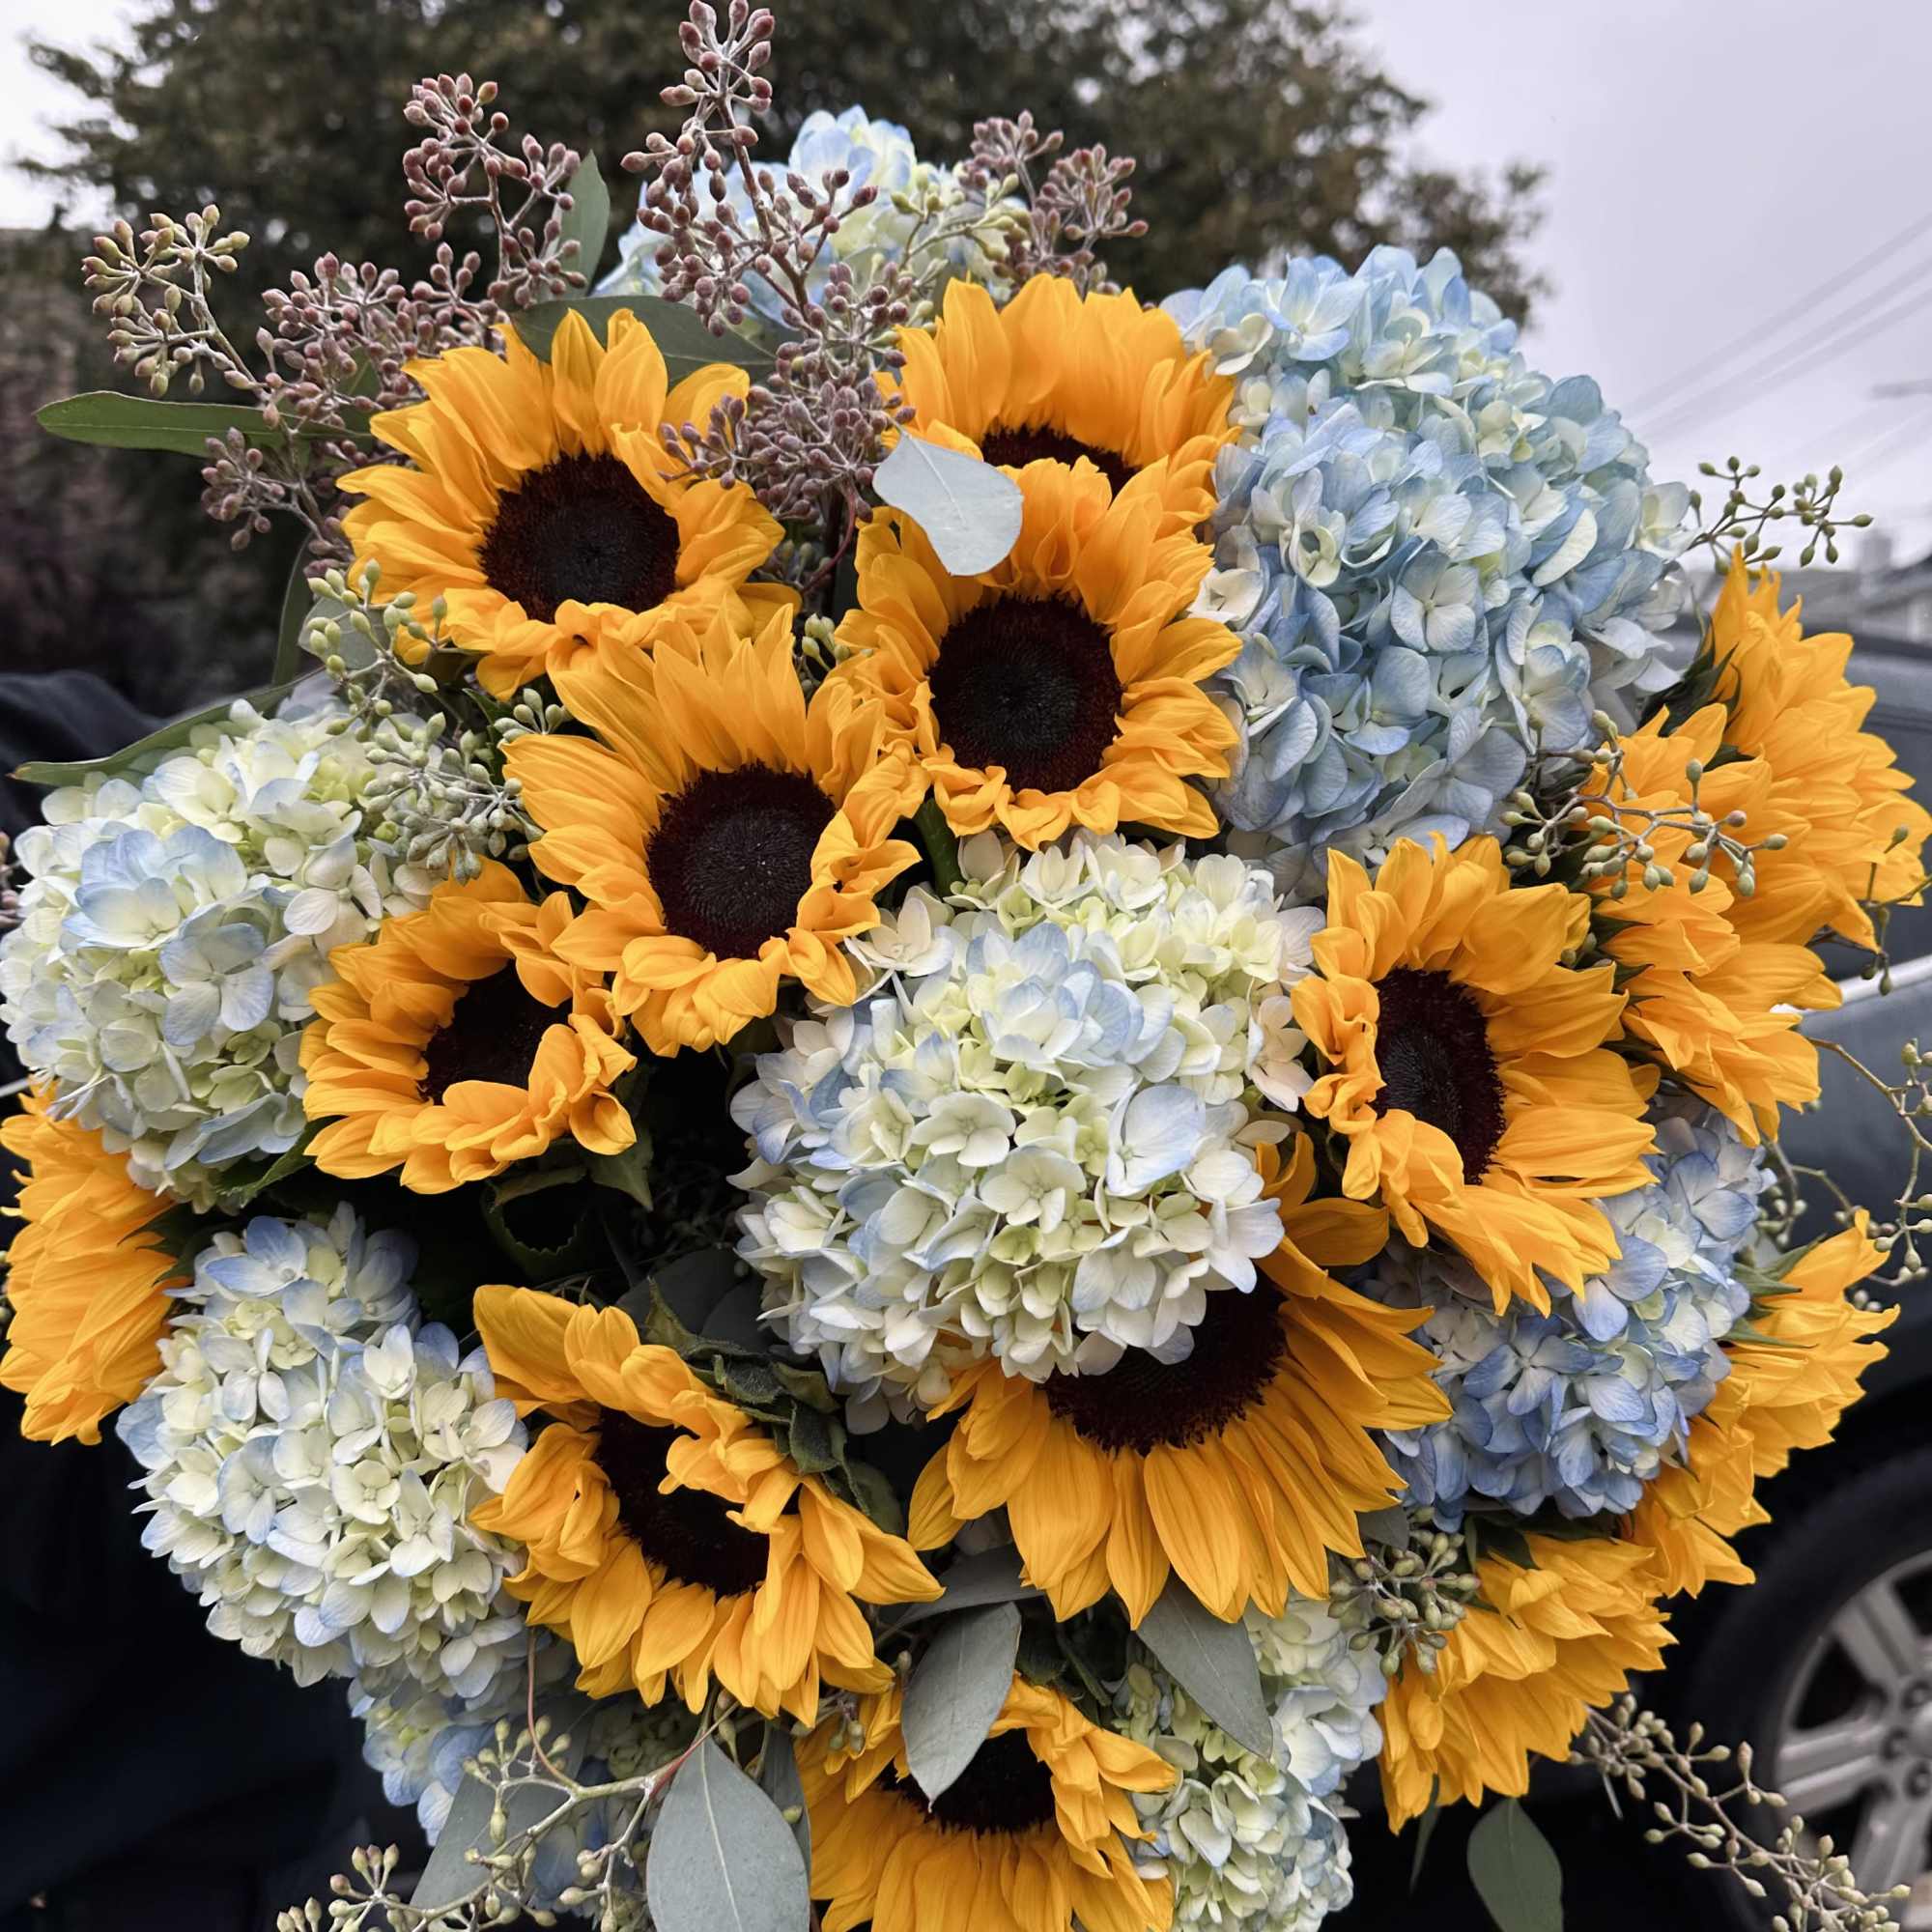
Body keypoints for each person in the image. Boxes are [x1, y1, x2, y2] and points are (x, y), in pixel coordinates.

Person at [0, 670, 414, 1931]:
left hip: (282, 1795)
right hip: (122, 1852)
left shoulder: (47, 748)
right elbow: (68, 1527)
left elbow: (268, 822)